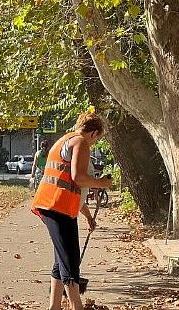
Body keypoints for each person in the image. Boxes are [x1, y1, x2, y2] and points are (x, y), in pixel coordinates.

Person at [31, 112, 113, 310]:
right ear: (93, 133)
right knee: (70, 259)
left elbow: (68, 184)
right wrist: (102, 183)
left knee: (62, 257)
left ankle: (54, 306)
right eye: (96, 140)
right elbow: (78, 178)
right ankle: (76, 305)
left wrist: (86, 215)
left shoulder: (64, 139)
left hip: (53, 204)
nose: (93, 144)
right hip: (58, 206)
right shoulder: (80, 142)